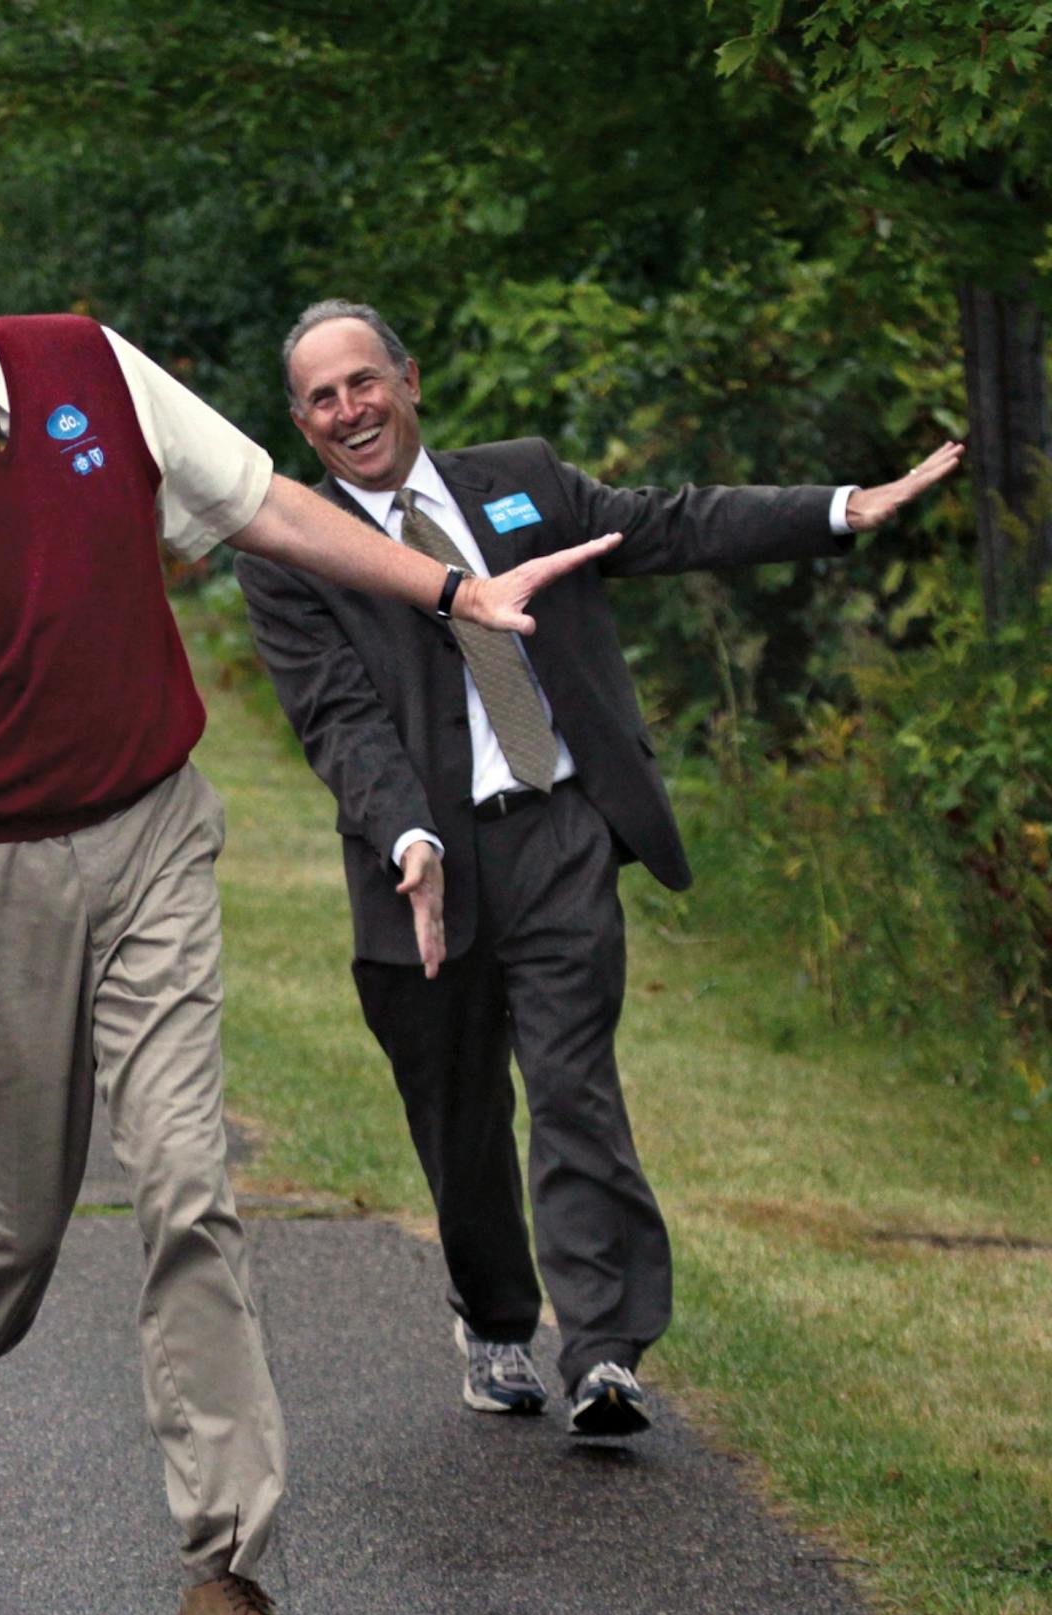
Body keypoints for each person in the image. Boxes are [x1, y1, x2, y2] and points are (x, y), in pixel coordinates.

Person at [0, 179, 617, 1615]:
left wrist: (453, 588)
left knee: (191, 1192)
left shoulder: (88, 362)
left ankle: (228, 1570)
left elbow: (264, 504)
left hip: (150, 828)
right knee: (11, 1227)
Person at [233, 299, 963, 1437]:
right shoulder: (293, 551)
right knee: (460, 1119)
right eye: (322, 398)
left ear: (409, 379)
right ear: (299, 421)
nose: (349, 410)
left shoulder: (520, 480)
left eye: (364, 381)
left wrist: (842, 510)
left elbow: (670, 524)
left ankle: (608, 1351)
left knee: (574, 1085)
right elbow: (337, 719)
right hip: (421, 862)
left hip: (559, 830)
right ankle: (493, 1318)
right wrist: (407, 839)